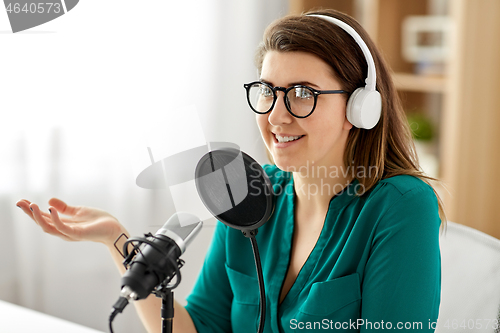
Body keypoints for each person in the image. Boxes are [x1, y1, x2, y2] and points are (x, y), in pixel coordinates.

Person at [16, 8, 444, 333]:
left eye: (301, 94)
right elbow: (198, 327)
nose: (276, 116)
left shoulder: (400, 206)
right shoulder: (246, 192)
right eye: (267, 92)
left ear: (359, 108)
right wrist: (117, 240)